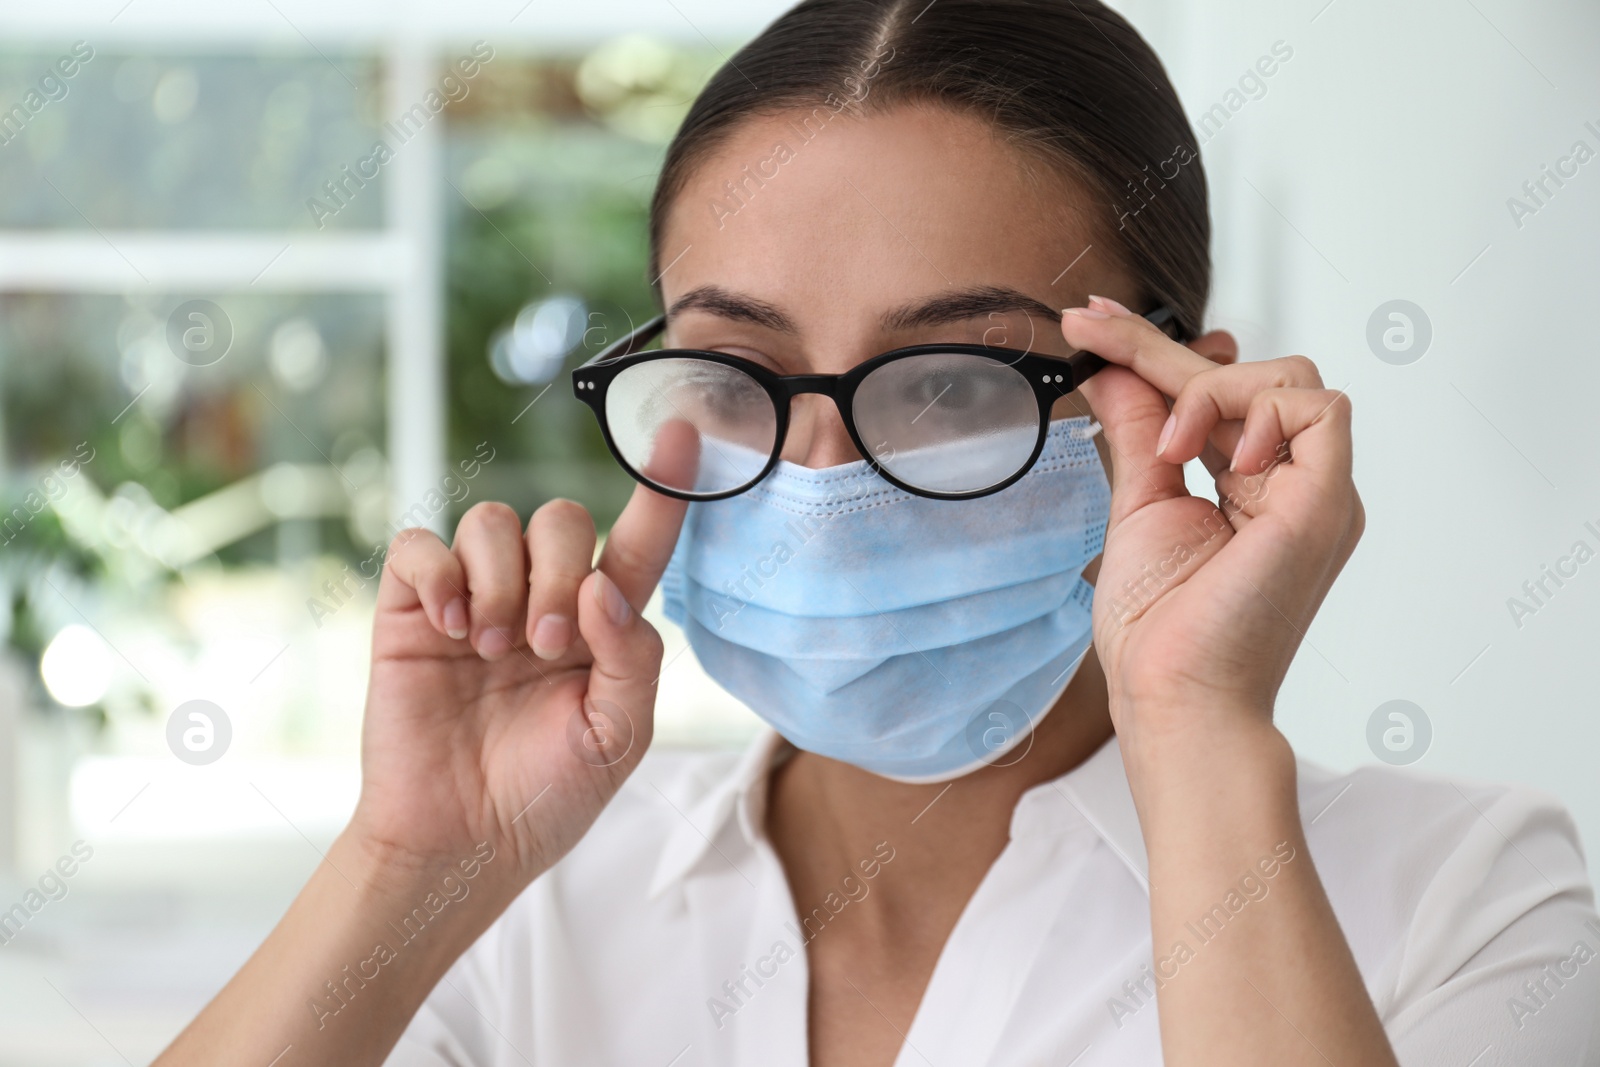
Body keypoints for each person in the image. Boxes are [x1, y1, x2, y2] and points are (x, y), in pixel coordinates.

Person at [157, 1, 1600, 1064]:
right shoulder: (522, 902)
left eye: (954, 380)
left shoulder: (1458, 894)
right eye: (739, 370)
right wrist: (412, 867)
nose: (825, 472)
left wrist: (1199, 729)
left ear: (1171, 399)